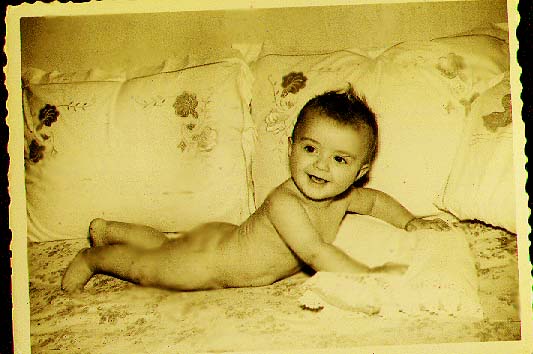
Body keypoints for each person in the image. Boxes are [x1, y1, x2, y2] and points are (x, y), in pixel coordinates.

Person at [61, 85, 449, 293]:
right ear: (291, 146)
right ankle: (95, 258)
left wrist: (410, 222)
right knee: (151, 268)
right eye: (311, 148)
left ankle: (111, 229)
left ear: (361, 171)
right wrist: (368, 277)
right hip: (209, 266)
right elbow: (315, 252)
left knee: (166, 245)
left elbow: (377, 202)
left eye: (339, 159)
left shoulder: (345, 197)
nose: (320, 165)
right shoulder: (285, 202)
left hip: (225, 243)